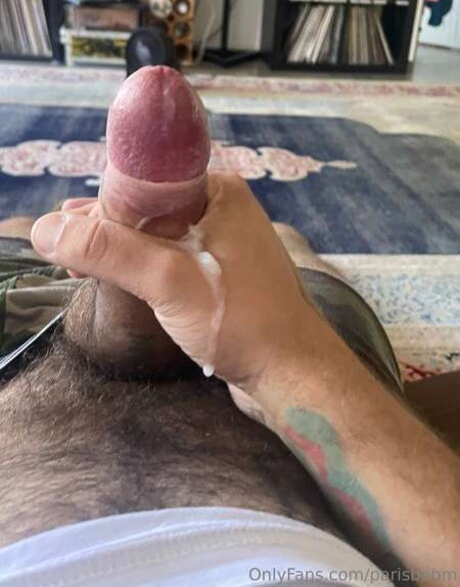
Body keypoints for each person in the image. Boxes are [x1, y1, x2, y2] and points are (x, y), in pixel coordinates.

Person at [0, 173, 459, 587]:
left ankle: (118, 247)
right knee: (288, 243)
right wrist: (289, 360)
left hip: (20, 357)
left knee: (17, 232)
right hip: (302, 392)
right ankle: (232, 249)